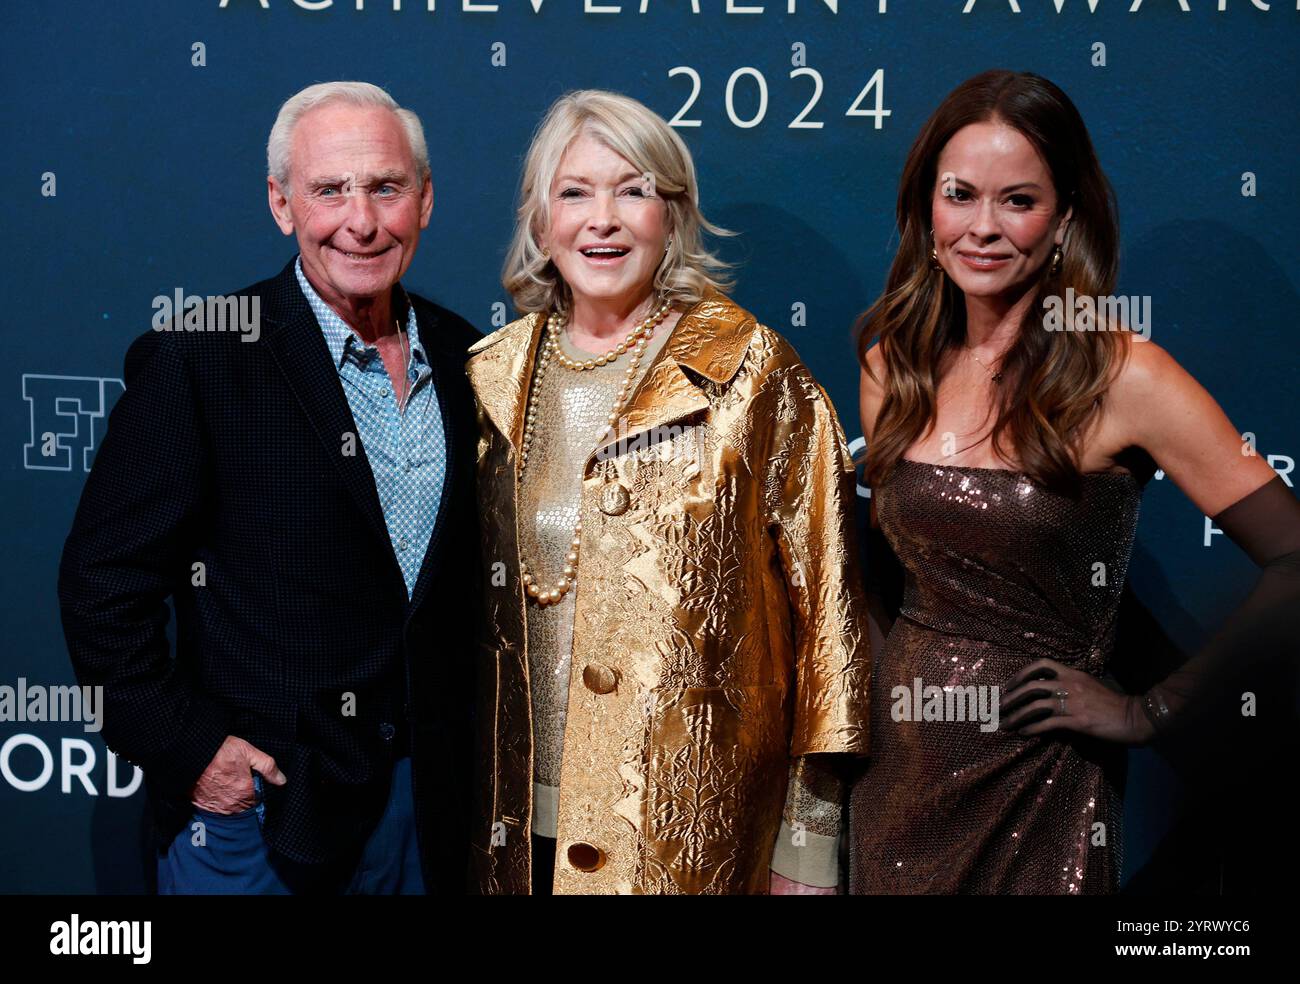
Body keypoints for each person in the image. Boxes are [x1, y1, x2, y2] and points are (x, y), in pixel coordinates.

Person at [850, 69, 1300, 894]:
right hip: (896, 776)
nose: (983, 228)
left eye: (1017, 201)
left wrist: (1147, 710)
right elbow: (888, 583)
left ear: (1063, 221)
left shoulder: (1124, 374)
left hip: (1040, 781)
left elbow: (1293, 556)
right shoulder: (894, 366)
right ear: (926, 208)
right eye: (960, 196)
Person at [57, 81, 481, 894]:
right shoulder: (201, 357)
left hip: (431, 817)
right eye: (330, 190)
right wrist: (193, 756)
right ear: (282, 204)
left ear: (424, 202)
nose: (361, 221)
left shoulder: (470, 357)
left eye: (386, 188)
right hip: (265, 822)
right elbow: (102, 583)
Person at [466, 89, 870, 895]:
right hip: (510, 833)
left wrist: (809, 845)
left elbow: (830, 623)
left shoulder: (756, 376)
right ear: (541, 223)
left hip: (691, 840)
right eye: (574, 192)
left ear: (675, 215)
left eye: (634, 189)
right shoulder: (489, 377)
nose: (602, 219)